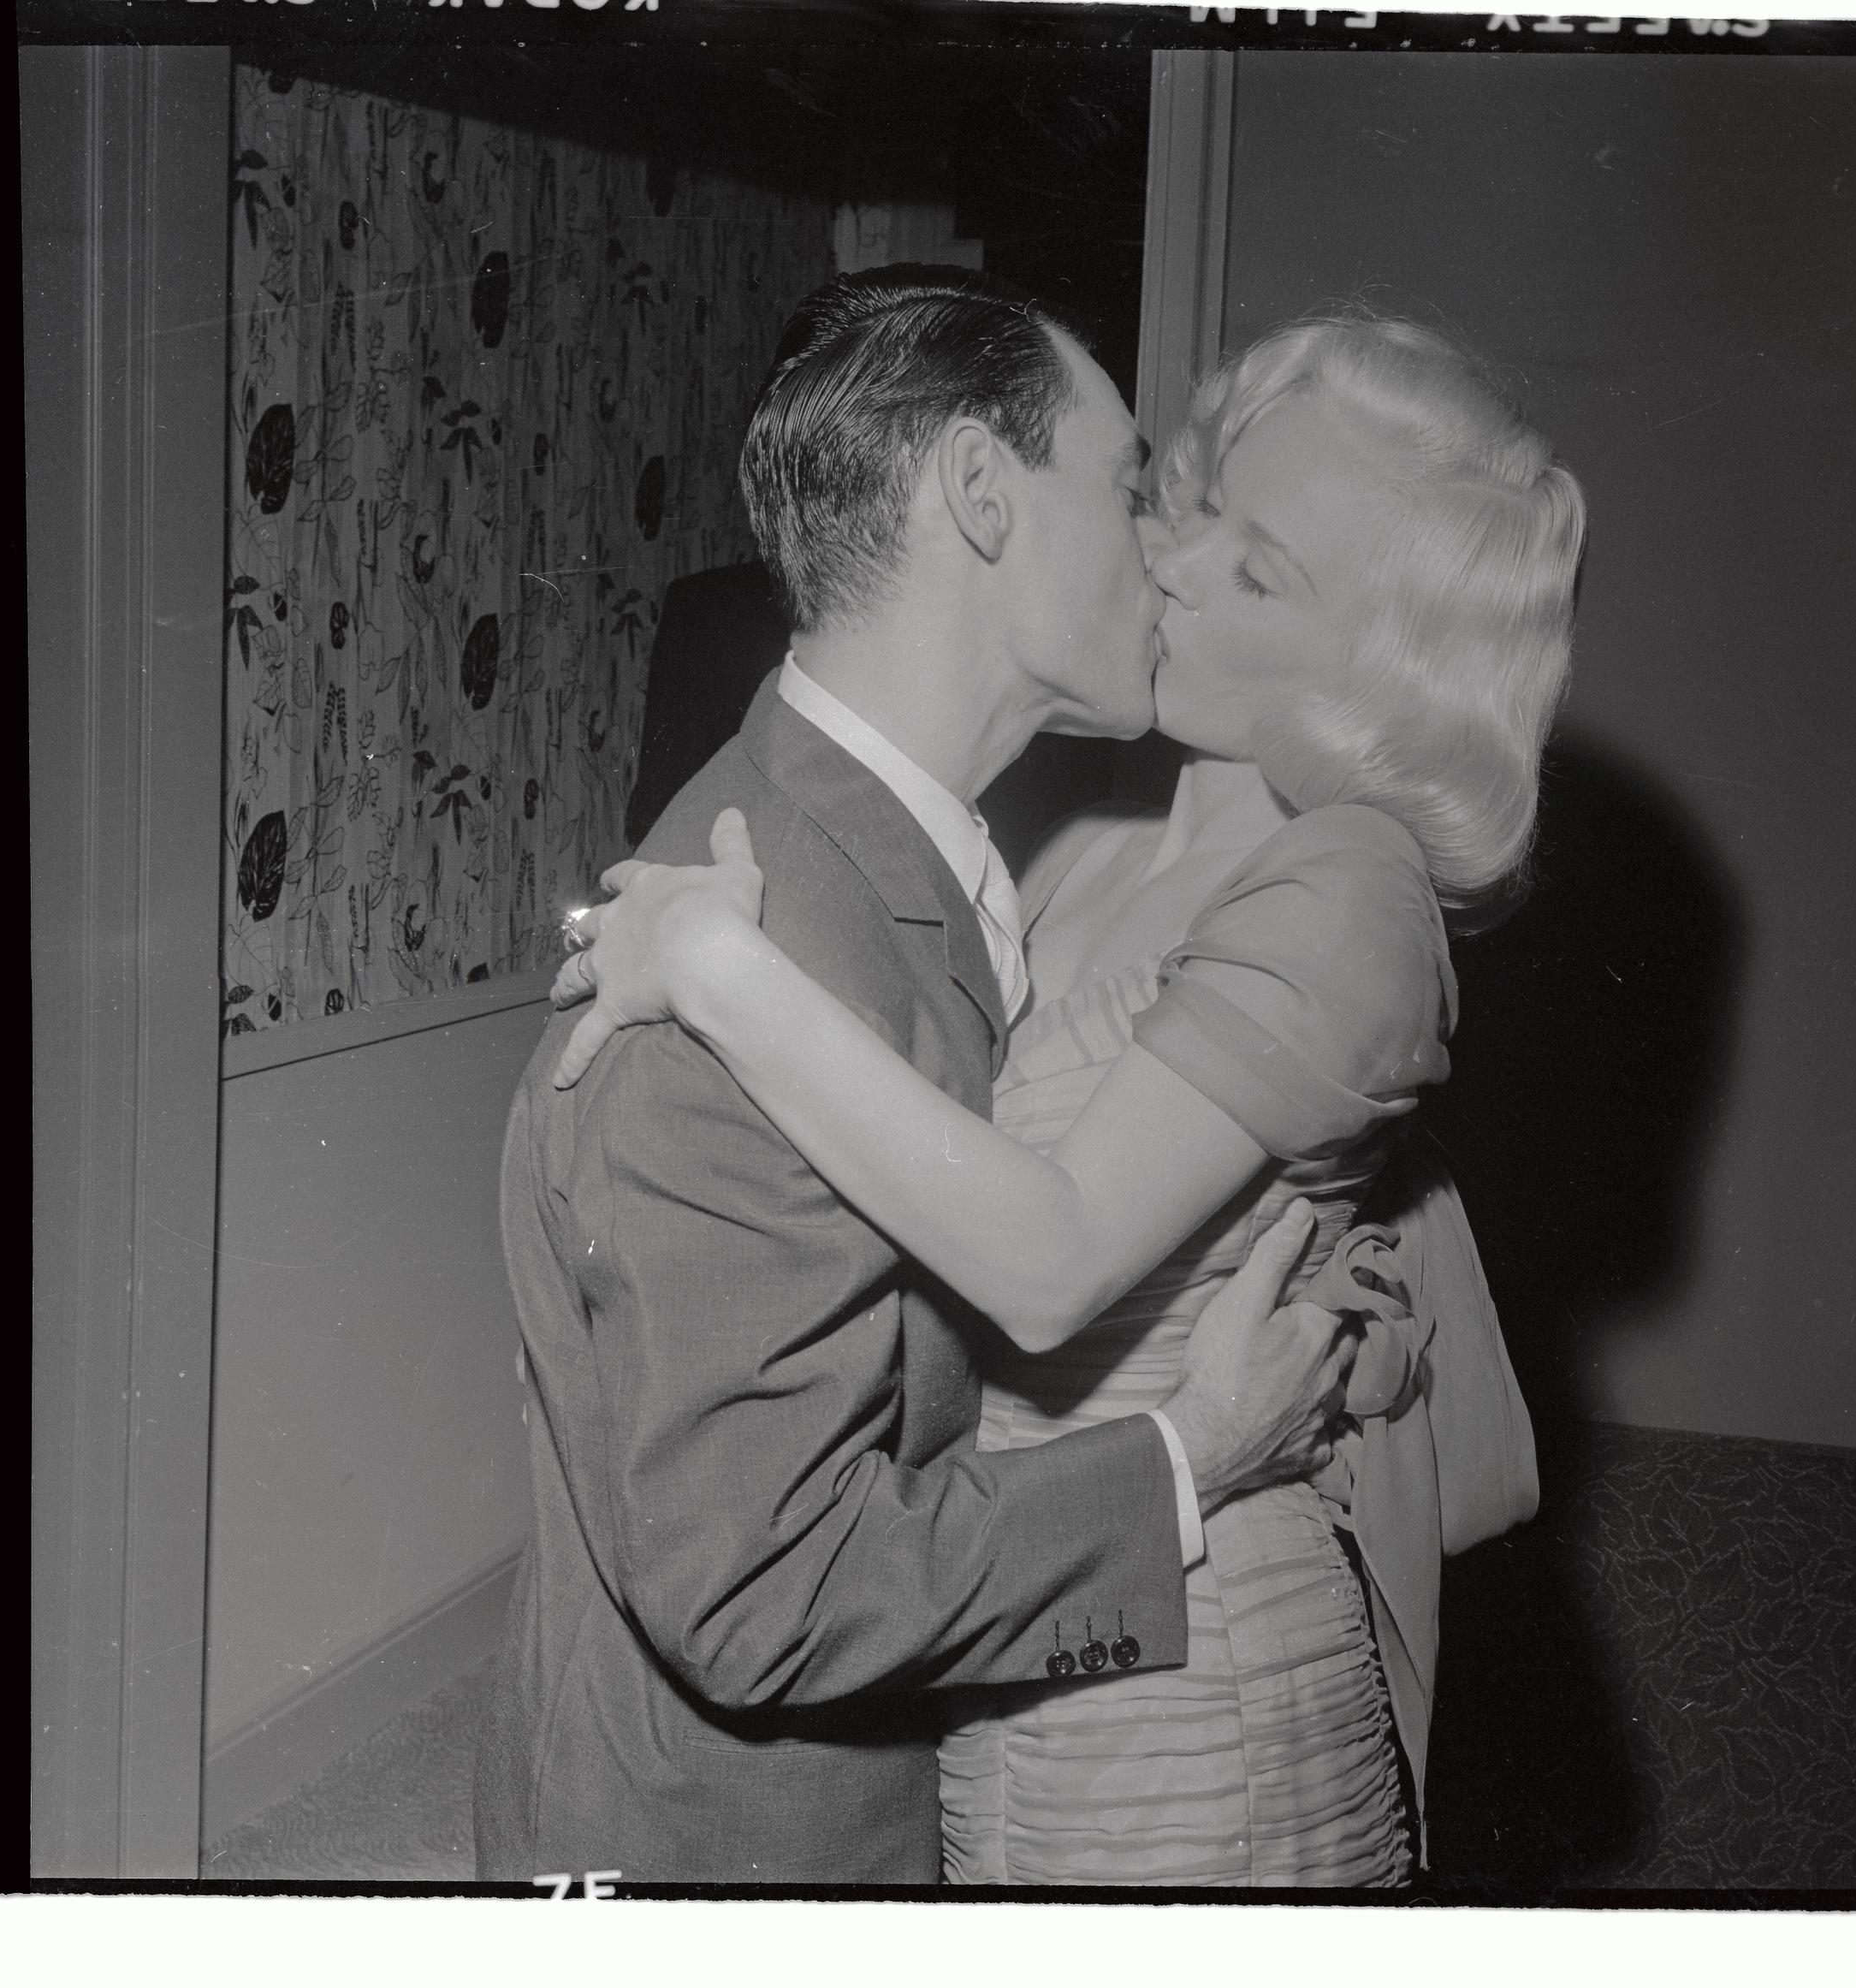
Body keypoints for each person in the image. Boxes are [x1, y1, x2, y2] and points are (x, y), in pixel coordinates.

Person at [550, 310, 1585, 1884]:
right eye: (1196, 502)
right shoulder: (1091, 839)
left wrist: (717, 969)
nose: (1173, 561)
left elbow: (1045, 1264)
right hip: (1017, 1633)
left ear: (1380, 662)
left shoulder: (1354, 888)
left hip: (1207, 1688)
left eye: (1260, 572)